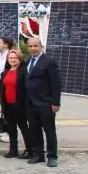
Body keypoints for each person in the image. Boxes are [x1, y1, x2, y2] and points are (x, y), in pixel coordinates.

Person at [25, 37, 61, 167]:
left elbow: (56, 83)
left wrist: (56, 103)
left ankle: (52, 156)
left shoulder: (49, 62)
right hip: (31, 103)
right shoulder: (28, 61)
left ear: (40, 46)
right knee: (34, 130)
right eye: (30, 46)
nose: (33, 49)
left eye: (35, 46)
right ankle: (39, 154)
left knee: (49, 130)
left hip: (45, 103)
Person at [0, 48, 33, 159]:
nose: (13, 60)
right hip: (8, 105)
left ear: (19, 59)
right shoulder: (5, 73)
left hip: (20, 105)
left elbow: (27, 89)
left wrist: (26, 105)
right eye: (10, 58)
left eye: (15, 58)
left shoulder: (23, 72)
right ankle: (13, 150)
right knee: (11, 128)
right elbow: (3, 90)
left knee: (23, 127)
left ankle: (30, 150)